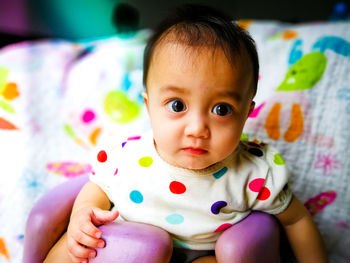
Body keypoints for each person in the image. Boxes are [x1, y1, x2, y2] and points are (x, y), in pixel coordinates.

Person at [44, 4, 328, 263]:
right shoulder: (127, 158)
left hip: (203, 254)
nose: (197, 129)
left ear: (246, 113)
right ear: (149, 106)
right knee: (75, 250)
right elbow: (98, 188)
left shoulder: (255, 173)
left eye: (221, 109)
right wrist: (83, 214)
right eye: (177, 105)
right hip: (128, 251)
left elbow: (295, 221)